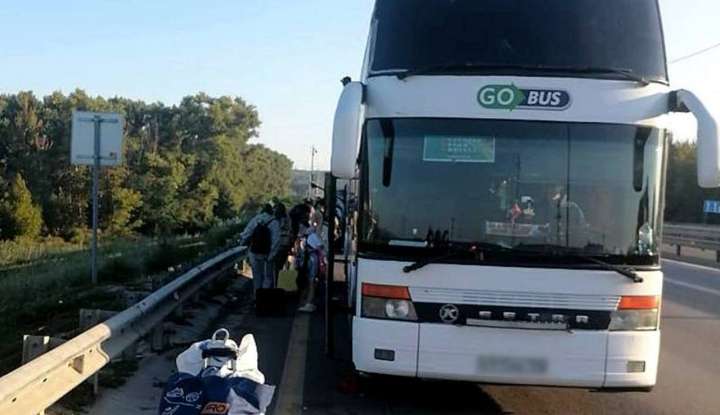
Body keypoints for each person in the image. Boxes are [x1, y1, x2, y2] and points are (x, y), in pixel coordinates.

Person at [239, 204, 281, 298]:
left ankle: (256, 296)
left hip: (254, 252)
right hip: (266, 254)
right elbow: (276, 241)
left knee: (257, 276)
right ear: (271, 211)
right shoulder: (274, 222)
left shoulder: (256, 219)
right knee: (267, 277)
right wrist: (271, 255)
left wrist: (242, 243)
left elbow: (246, 233)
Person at [296, 226, 326, 313]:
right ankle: (308, 301)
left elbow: (320, 246)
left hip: (310, 261)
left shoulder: (310, 236)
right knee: (310, 282)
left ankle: (309, 302)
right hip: (310, 260)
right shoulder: (309, 236)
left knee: (311, 282)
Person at [273, 202, 292, 276]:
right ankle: (282, 278)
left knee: (275, 266)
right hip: (286, 244)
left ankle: (276, 279)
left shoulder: (277, 219)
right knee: (282, 264)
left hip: (278, 244)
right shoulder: (288, 219)